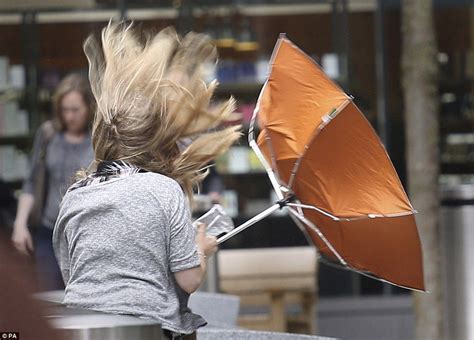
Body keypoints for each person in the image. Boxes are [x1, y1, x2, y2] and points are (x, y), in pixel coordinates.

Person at [52, 23, 240, 339]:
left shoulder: (74, 194)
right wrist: (201, 250)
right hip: (147, 327)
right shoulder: (164, 190)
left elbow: (72, 273)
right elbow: (190, 280)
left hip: (82, 326)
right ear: (157, 139)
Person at [11, 73, 94, 291]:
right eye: (65, 109)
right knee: (50, 297)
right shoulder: (48, 135)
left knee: (82, 300)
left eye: (75, 110)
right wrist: (20, 224)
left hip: (84, 236)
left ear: (89, 108)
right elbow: (31, 182)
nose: (70, 116)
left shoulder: (98, 139)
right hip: (48, 232)